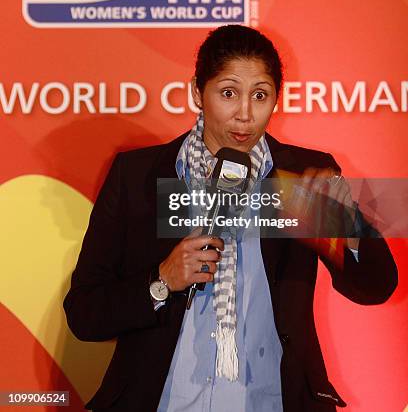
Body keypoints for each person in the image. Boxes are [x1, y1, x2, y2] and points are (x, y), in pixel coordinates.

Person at [63, 25, 397, 412]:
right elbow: (84, 315)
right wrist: (161, 281)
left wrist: (347, 231)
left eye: (260, 95)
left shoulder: (301, 174)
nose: (245, 114)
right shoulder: (138, 175)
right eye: (228, 93)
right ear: (196, 93)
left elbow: (375, 288)